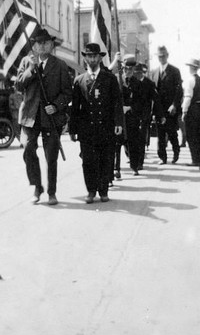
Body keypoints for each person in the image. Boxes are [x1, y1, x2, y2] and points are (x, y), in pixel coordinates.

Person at [16, 28, 72, 205]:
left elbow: (67, 93)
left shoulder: (60, 65)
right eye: (39, 43)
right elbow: (18, 85)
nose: (43, 46)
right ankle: (37, 186)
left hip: (50, 117)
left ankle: (52, 192)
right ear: (34, 45)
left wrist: (56, 106)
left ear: (51, 45)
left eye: (46, 43)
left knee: (51, 155)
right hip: (30, 115)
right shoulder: (27, 62)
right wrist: (31, 70)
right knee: (28, 148)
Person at [69, 43, 123, 203]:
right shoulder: (79, 81)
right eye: (89, 56)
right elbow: (75, 108)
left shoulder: (110, 79)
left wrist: (118, 122)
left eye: (95, 56)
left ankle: (104, 190)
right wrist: (72, 129)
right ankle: (91, 191)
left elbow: (117, 102)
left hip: (106, 127)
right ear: (85, 59)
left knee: (106, 159)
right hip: (87, 129)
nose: (92, 59)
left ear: (100, 58)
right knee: (88, 161)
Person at [151, 46, 183, 164]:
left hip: (171, 109)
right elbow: (152, 92)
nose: (161, 58)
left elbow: (179, 90)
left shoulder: (174, 71)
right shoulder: (154, 72)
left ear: (167, 55)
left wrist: (174, 104)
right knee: (160, 134)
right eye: (159, 56)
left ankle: (176, 153)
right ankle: (162, 157)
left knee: (172, 133)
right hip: (159, 109)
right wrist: (153, 110)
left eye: (163, 56)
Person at [115, 55, 144, 176]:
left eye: (130, 70)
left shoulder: (137, 83)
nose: (128, 72)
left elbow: (141, 102)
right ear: (122, 68)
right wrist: (118, 108)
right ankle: (116, 169)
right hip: (119, 118)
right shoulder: (117, 81)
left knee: (133, 143)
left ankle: (134, 166)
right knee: (116, 144)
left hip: (132, 117)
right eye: (126, 69)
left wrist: (130, 108)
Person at [133, 62, 165, 170]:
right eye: (136, 72)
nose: (138, 74)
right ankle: (133, 158)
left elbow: (156, 100)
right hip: (132, 114)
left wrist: (160, 115)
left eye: (140, 72)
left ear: (143, 73)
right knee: (132, 139)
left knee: (141, 139)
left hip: (144, 115)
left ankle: (139, 163)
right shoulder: (131, 82)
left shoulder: (149, 84)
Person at [181, 58, 200, 169]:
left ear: (191, 68)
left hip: (192, 108)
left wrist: (184, 111)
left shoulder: (189, 80)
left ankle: (195, 159)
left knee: (191, 135)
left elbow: (188, 97)